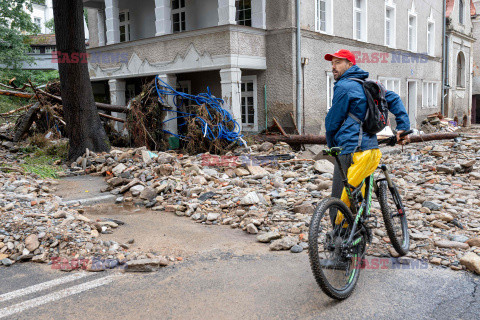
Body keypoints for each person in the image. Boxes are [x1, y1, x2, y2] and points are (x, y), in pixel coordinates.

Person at [321, 49, 410, 268]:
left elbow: (332, 121)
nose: (333, 66)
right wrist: (403, 128)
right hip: (370, 151)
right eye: (332, 63)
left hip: (350, 150)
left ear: (350, 64)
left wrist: (332, 145)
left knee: (339, 201)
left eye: (338, 62)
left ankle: (342, 257)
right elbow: (395, 99)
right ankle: (358, 250)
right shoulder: (370, 85)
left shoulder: (343, 86)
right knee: (356, 199)